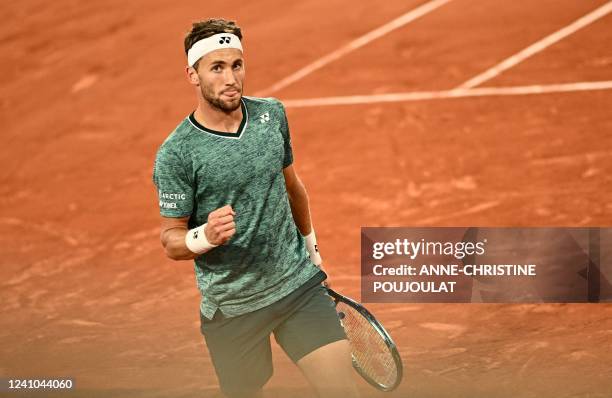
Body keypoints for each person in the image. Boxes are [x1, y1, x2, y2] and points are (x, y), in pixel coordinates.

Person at [152, 18, 360, 398]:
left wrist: (312, 254)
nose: (230, 78)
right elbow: (171, 239)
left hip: (296, 286)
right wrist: (204, 236)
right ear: (193, 75)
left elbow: (293, 186)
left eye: (236, 64)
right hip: (233, 306)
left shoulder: (271, 115)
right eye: (216, 67)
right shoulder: (177, 153)